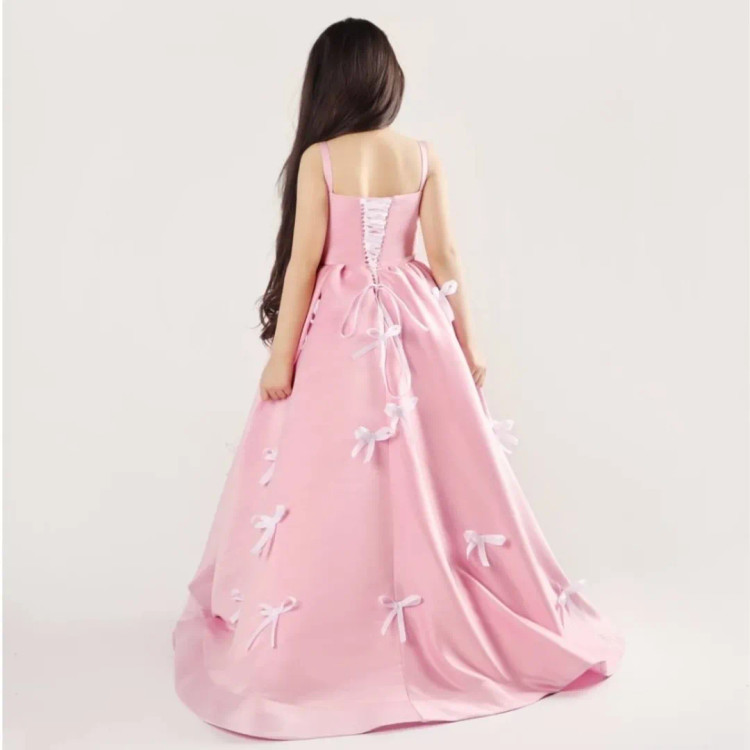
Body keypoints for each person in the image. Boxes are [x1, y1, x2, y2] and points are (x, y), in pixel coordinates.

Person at [173, 17, 624, 741]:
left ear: (327, 83)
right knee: (426, 463)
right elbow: (445, 256)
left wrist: (281, 356)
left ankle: (341, 626)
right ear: (386, 80)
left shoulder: (321, 158)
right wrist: (467, 342)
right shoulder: (420, 154)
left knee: (328, 472)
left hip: (340, 327)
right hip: (418, 321)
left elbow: (305, 263)